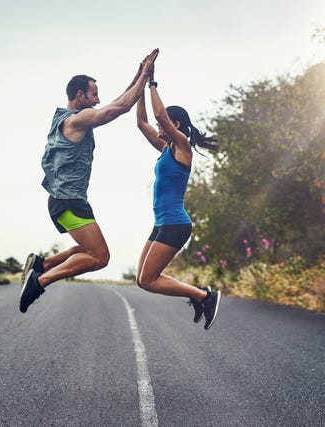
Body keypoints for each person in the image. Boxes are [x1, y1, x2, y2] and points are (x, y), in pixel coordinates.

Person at [19, 48, 159, 313]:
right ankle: (40, 281)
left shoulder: (64, 117)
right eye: (94, 94)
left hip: (66, 199)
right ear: (80, 95)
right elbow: (119, 108)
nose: (98, 99)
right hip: (68, 200)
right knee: (99, 257)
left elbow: (118, 102)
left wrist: (140, 76)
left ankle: (42, 264)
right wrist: (144, 76)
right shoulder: (77, 120)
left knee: (85, 250)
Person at [134, 68, 221, 330]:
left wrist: (152, 82)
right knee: (142, 280)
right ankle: (199, 296)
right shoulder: (164, 149)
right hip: (161, 223)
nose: (159, 125)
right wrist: (139, 87)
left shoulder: (182, 146)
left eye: (164, 124)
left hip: (175, 224)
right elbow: (141, 123)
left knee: (150, 280)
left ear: (176, 126)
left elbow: (160, 114)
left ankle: (204, 296)